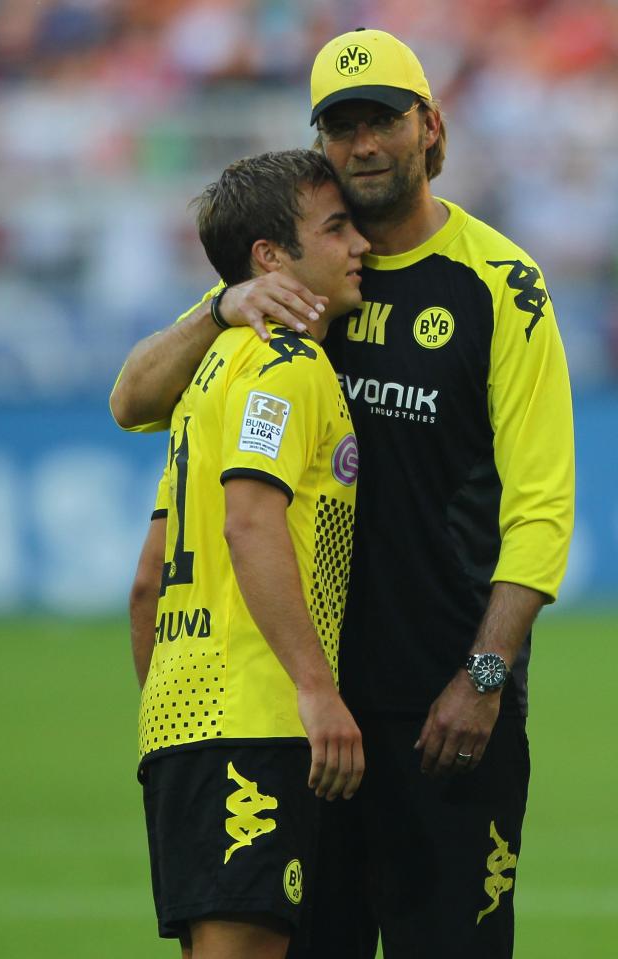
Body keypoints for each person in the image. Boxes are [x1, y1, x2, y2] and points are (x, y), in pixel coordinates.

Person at [111, 28, 575, 959]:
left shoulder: (502, 288)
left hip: (445, 705)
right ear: (321, 140)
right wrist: (220, 304)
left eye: (383, 120)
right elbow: (131, 399)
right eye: (342, 124)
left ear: (429, 126)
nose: (363, 143)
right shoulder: (297, 282)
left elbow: (541, 512)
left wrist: (484, 678)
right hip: (307, 718)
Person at [132, 148, 369, 959]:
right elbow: (250, 523)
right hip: (251, 717)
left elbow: (145, 581)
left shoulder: (207, 378)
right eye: (336, 229)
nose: (360, 245)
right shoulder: (287, 365)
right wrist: (315, 688)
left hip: (180, 718)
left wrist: (166, 720)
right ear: (272, 258)